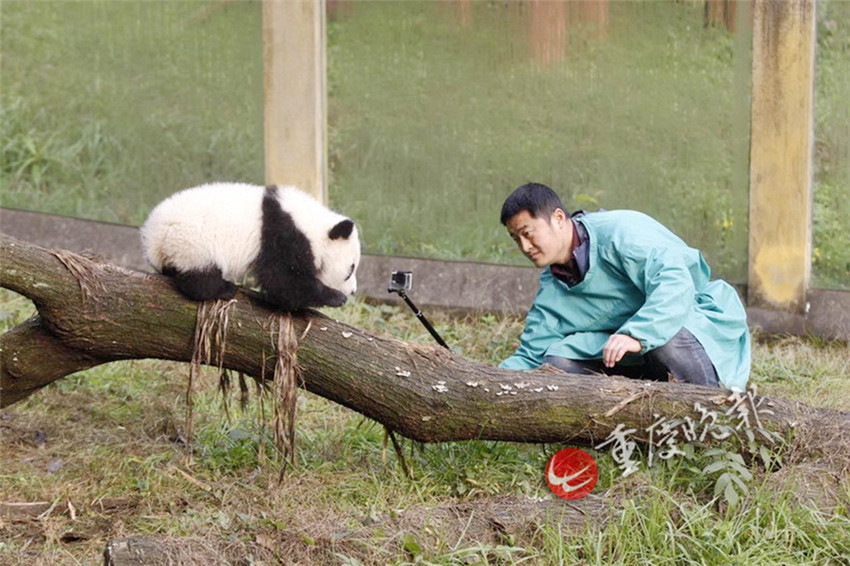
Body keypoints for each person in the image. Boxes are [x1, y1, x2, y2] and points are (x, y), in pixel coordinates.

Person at [498, 182, 750, 391]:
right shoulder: (553, 285)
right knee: (557, 361)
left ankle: (707, 416)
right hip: (627, 348)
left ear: (559, 218)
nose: (524, 246)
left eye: (528, 233)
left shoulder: (621, 232)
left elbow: (676, 282)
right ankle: (631, 419)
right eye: (515, 238)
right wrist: (483, 381)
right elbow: (531, 355)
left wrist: (636, 334)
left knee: (667, 338)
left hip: (690, 322)